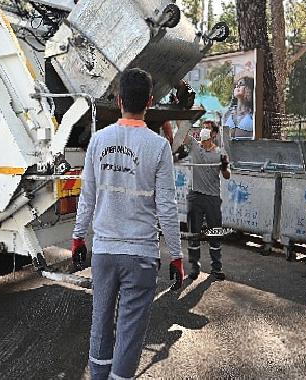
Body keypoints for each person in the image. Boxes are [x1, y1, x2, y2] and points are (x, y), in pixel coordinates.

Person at [72, 68, 184, 380]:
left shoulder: (98, 140)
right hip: (141, 256)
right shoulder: (159, 146)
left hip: (105, 253)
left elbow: (87, 197)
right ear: (150, 102)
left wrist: (78, 237)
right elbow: (167, 207)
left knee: (101, 321)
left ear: (119, 100)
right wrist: (176, 256)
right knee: (130, 332)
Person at [184, 128, 231, 281]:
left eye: (205, 141)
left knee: (215, 232)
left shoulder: (220, 153)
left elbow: (227, 175)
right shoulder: (195, 147)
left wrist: (224, 166)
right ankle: (194, 268)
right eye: (201, 141)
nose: (203, 144)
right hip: (195, 196)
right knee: (193, 234)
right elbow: (183, 134)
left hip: (212, 197)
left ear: (211, 139)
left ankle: (216, 268)